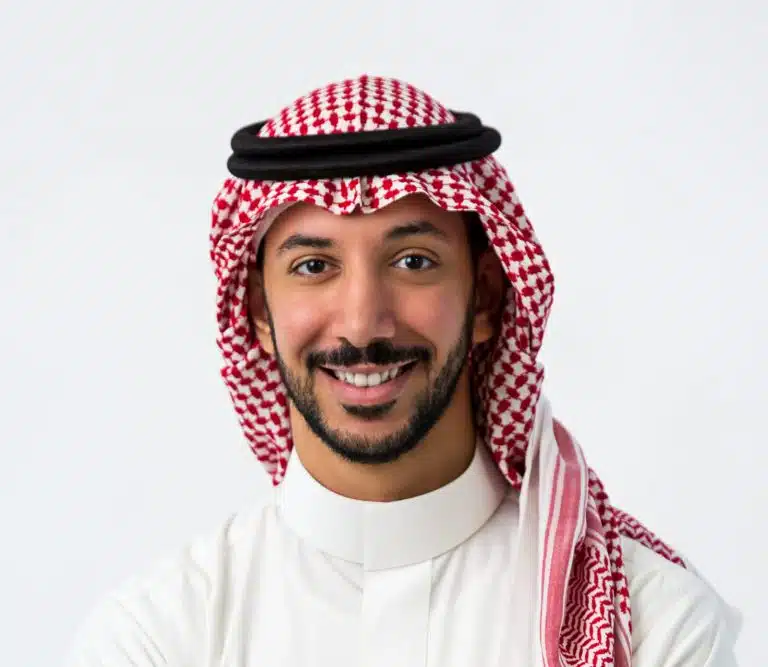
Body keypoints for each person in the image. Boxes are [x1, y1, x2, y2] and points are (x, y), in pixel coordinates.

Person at [67, 75, 740, 666]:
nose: (363, 324)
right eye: (314, 266)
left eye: (413, 261)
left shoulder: (651, 629)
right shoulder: (159, 638)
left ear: (486, 298)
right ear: (259, 313)